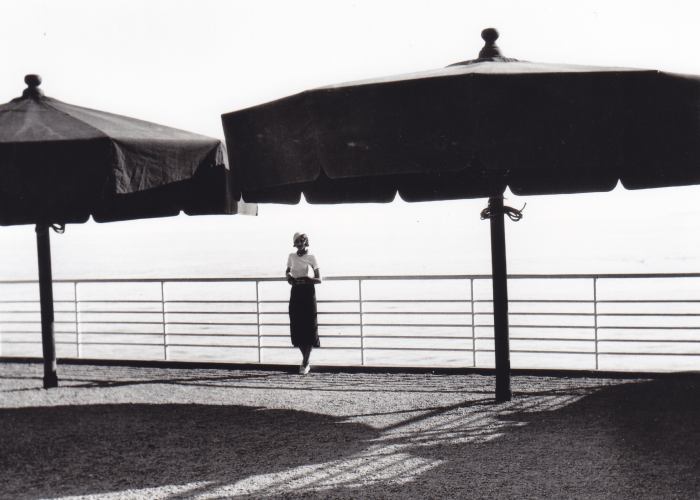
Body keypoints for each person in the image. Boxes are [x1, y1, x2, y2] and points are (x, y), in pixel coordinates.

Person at [285, 232, 321, 374]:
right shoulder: (291, 256)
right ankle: (305, 360)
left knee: (310, 327)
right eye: (297, 242)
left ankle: (305, 362)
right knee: (297, 325)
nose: (299, 244)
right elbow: (287, 272)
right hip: (296, 292)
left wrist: (307, 279)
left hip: (307, 292)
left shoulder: (312, 257)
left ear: (306, 242)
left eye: (301, 241)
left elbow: (319, 279)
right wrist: (289, 277)